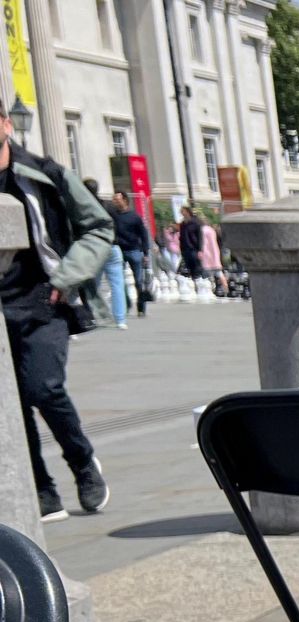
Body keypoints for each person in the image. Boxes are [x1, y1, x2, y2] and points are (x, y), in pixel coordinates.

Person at [0, 113, 112, 521]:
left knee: (42, 387)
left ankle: (83, 463)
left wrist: (67, 278)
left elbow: (99, 226)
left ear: (6, 124)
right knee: (8, 404)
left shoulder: (45, 173)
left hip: (44, 300)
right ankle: (41, 488)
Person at [81, 178, 125, 329]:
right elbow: (118, 224)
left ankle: (95, 315)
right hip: (113, 246)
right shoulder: (110, 206)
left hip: (95, 248)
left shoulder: (84, 206)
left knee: (93, 283)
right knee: (117, 284)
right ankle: (120, 319)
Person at [109, 192, 150, 318]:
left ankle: (141, 307)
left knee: (138, 281)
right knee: (119, 280)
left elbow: (143, 235)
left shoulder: (134, 217)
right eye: (114, 199)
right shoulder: (113, 216)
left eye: (117, 199)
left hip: (134, 251)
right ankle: (125, 305)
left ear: (125, 200)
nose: (114, 202)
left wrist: (146, 252)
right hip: (118, 251)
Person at [176, 205, 204, 283]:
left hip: (194, 249)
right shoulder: (183, 224)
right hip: (185, 249)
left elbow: (200, 237)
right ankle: (193, 283)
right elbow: (181, 237)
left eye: (183, 211)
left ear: (188, 212)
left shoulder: (195, 223)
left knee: (197, 269)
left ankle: (199, 284)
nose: (182, 213)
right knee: (189, 269)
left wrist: (200, 249)